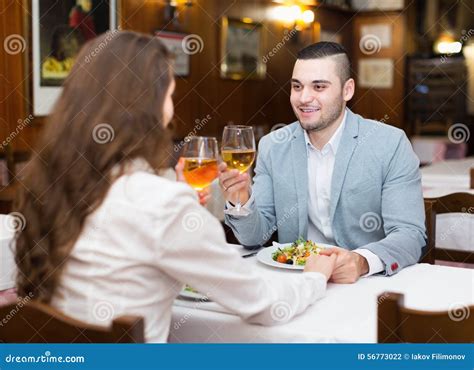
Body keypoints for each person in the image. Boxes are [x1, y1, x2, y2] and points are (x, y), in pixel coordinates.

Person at [14, 32, 337, 343]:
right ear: (146, 108)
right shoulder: (161, 203)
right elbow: (264, 305)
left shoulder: (47, 184)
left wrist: (176, 194)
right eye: (169, 96)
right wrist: (315, 277)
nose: (170, 112)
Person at [219, 42, 426, 283]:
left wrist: (361, 262)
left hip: (365, 284)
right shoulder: (272, 146)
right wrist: (240, 202)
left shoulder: (390, 144)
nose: (304, 98)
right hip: (296, 283)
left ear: (347, 90)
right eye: (297, 86)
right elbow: (254, 237)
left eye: (319, 86)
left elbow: (410, 235)